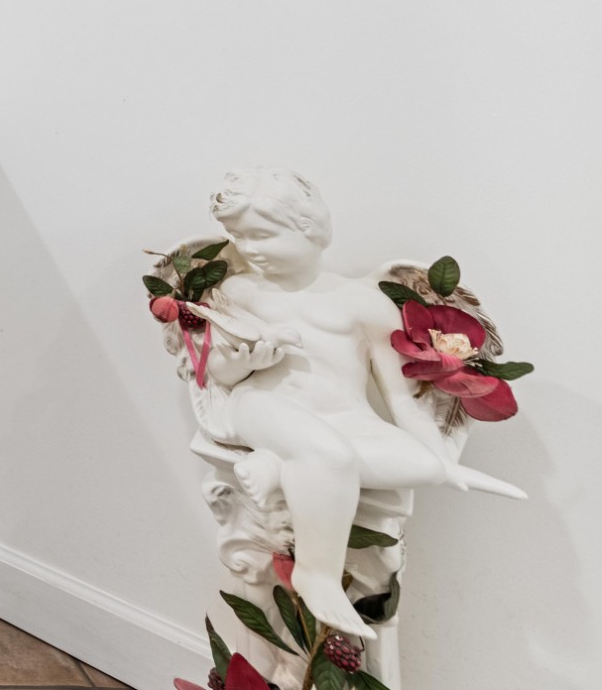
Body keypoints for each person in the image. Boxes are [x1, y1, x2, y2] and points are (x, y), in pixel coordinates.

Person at [195, 169, 524, 638]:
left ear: (311, 229)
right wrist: (245, 361)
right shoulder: (237, 291)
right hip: (263, 405)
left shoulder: (364, 302)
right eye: (239, 238)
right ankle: (317, 571)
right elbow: (218, 372)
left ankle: (282, 467)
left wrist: (441, 460)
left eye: (263, 236)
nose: (250, 250)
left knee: (414, 465)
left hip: (346, 421)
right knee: (329, 456)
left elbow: (402, 399)